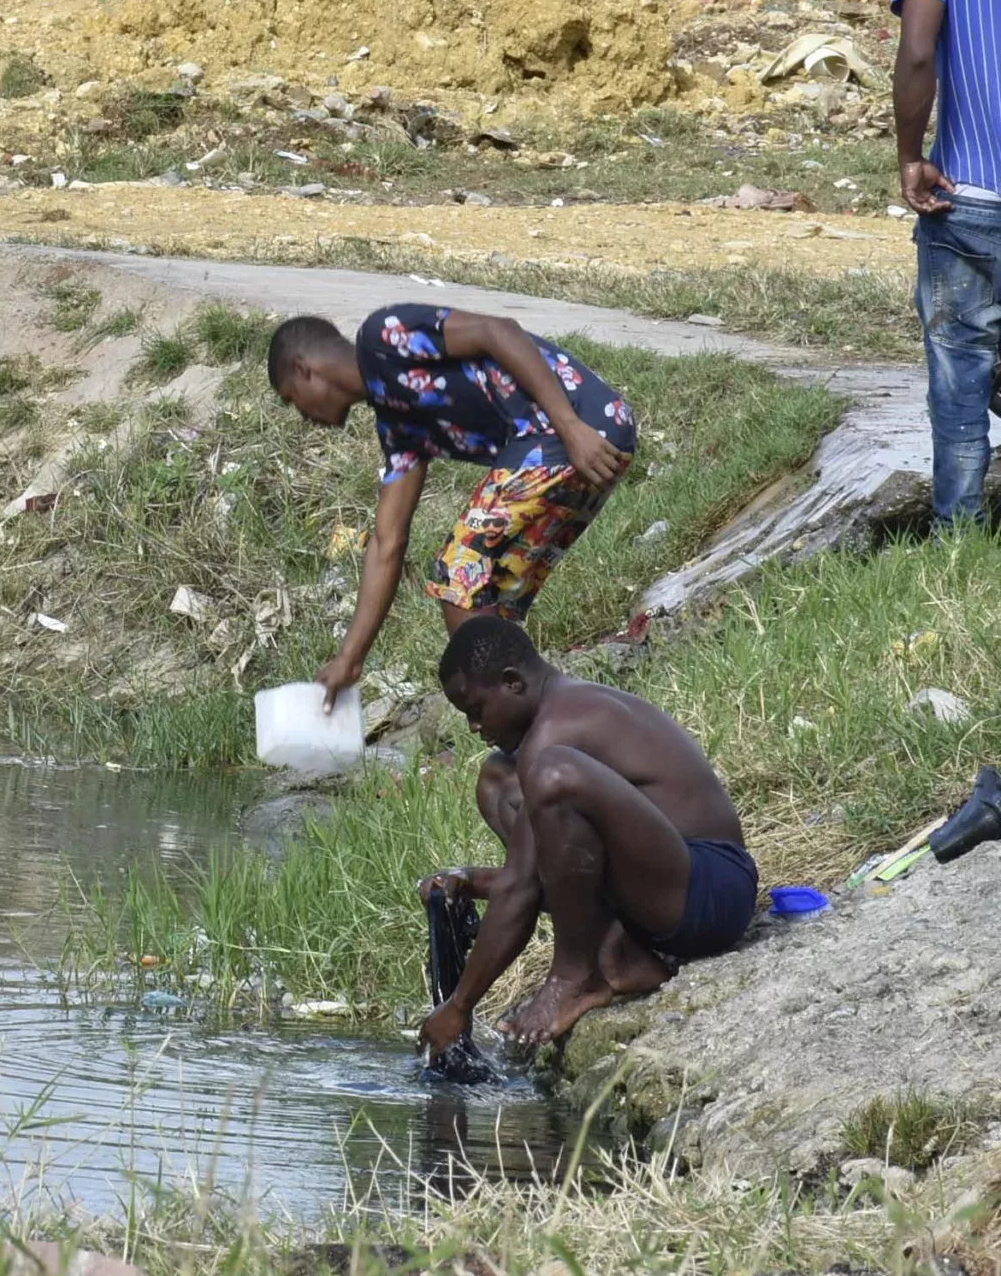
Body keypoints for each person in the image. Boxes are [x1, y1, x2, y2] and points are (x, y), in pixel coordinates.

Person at [417, 616, 754, 1054]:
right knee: (499, 780)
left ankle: (577, 976)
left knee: (555, 776)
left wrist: (459, 1005)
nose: (474, 729)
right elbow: (547, 867)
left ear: (513, 682)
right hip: (665, 888)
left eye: (476, 711)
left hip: (711, 893)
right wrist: (468, 881)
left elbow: (522, 884)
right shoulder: (551, 716)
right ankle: (619, 950)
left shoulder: (557, 729)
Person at [268, 304, 637, 699]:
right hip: (571, 446)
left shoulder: (382, 338)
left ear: (303, 369)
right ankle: (542, 713)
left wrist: (569, 427)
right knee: (488, 604)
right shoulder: (399, 425)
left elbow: (497, 330)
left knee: (457, 571)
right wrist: (350, 658)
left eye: (292, 400)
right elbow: (387, 543)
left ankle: (509, 716)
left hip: (574, 431)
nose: (303, 415)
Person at [892, 0, 1001, 527]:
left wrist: (909, 157)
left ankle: (957, 540)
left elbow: (919, 53)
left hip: (969, 198)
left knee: (960, 379)